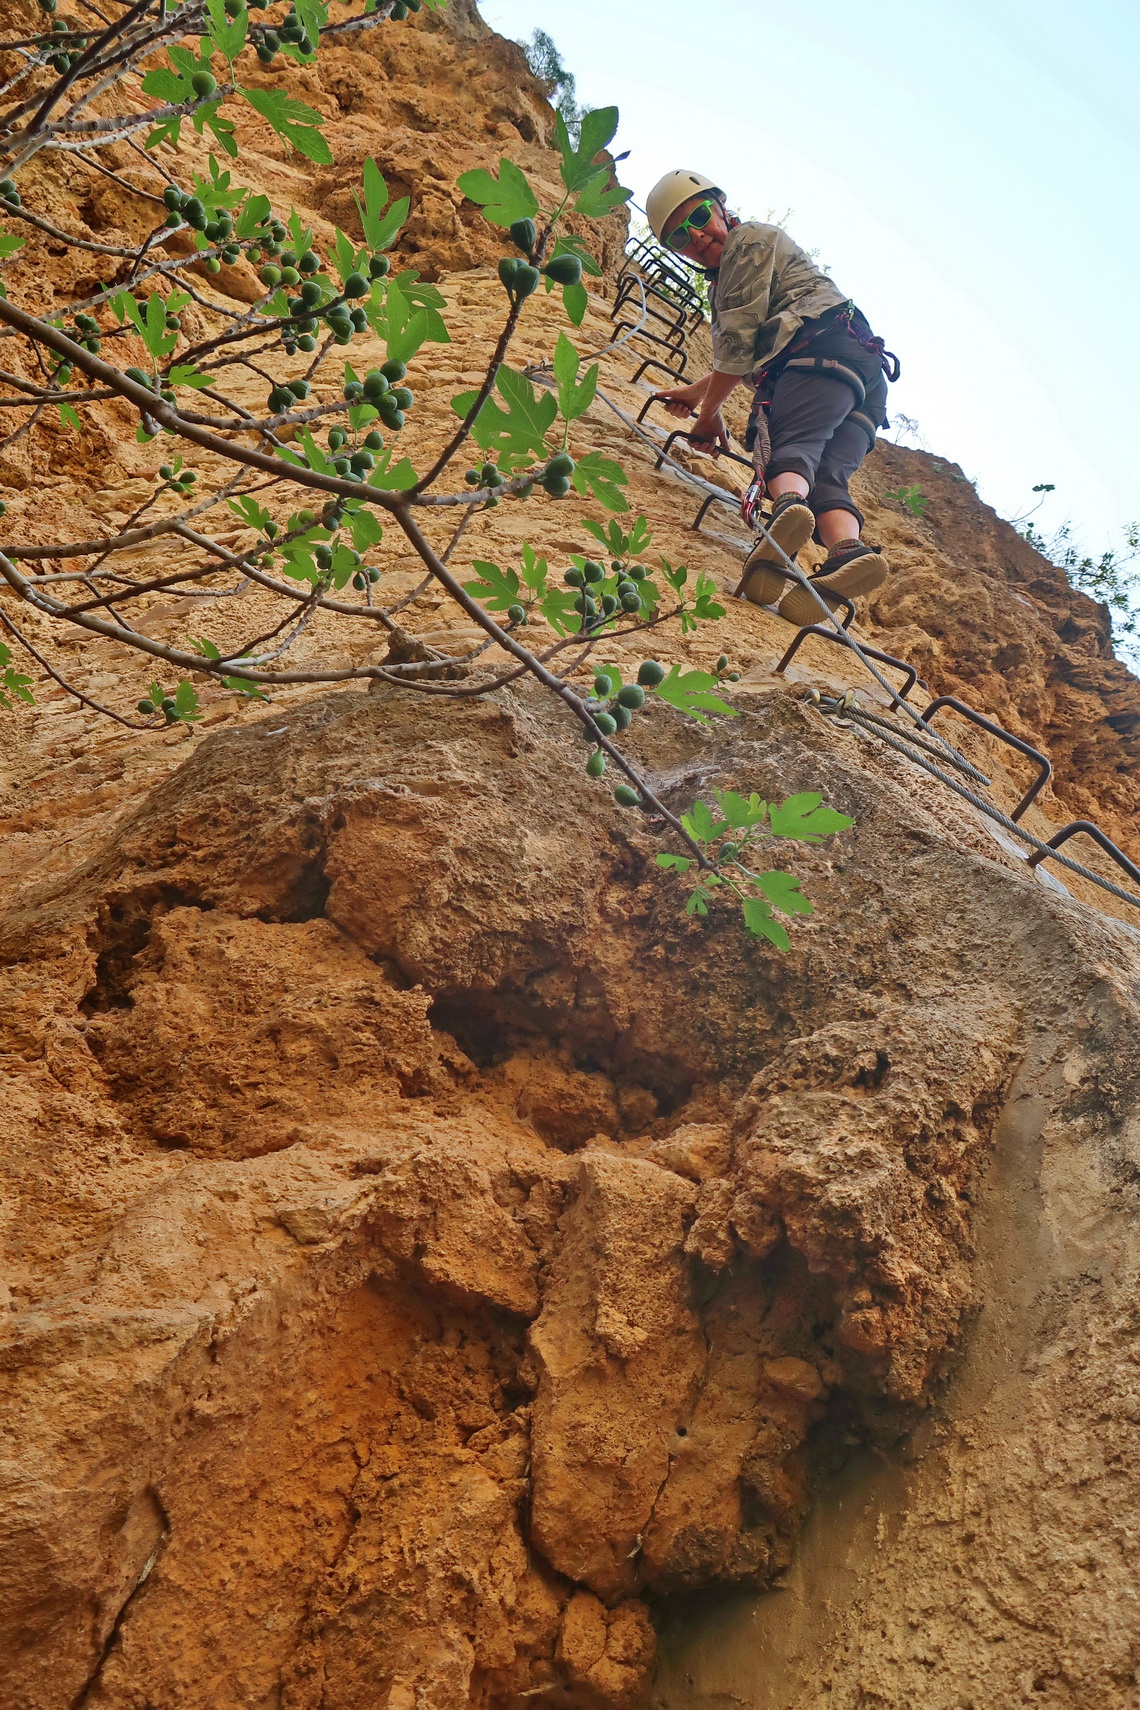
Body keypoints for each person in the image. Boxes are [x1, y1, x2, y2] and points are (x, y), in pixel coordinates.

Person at [645, 170, 898, 627]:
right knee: (826, 476)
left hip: (815, 352)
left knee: (792, 448)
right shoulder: (742, 265)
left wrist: (709, 415)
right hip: (861, 373)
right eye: (681, 236)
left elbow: (738, 346)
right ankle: (846, 553)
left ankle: (786, 513)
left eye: (700, 217)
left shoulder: (748, 244)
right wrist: (697, 393)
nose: (697, 235)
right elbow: (742, 353)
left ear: (722, 207)